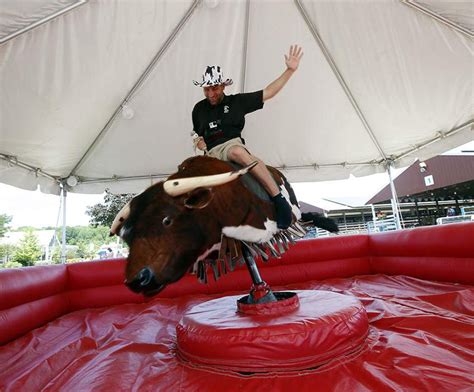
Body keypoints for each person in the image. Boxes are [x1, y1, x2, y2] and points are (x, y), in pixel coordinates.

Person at [192, 45, 304, 229]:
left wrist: (289, 70)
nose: (211, 93)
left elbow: (268, 92)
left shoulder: (237, 102)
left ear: (222, 86)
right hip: (210, 153)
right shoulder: (198, 109)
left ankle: (279, 200)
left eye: (215, 88)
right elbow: (196, 133)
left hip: (230, 146)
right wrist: (198, 141)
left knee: (237, 152)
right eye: (207, 89)